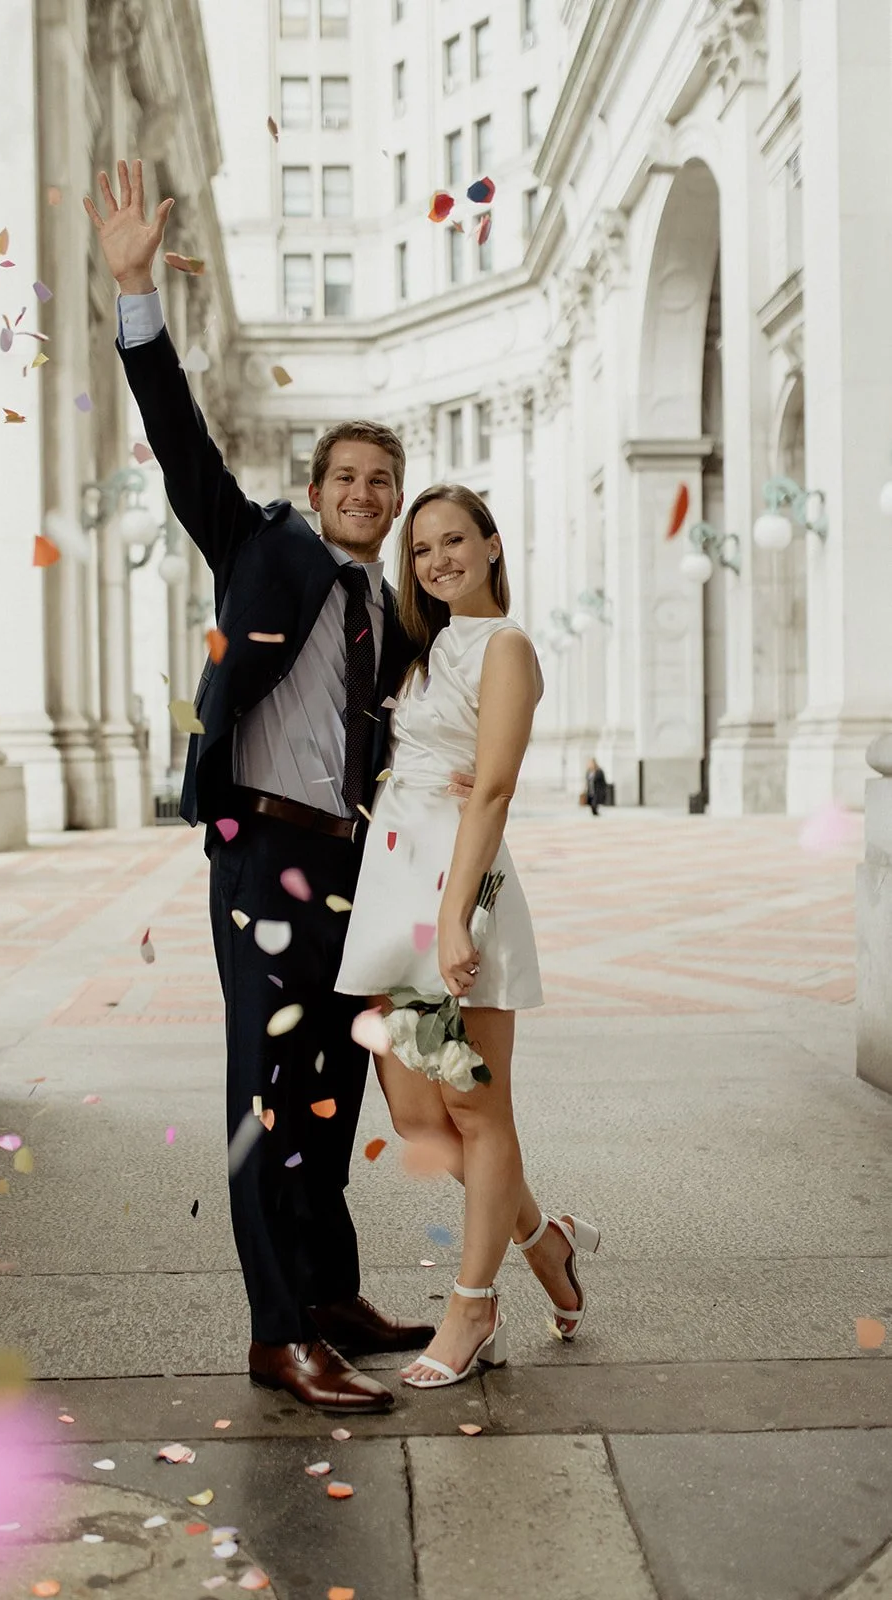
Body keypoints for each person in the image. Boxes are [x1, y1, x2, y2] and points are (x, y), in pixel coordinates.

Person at [85, 159, 462, 1415]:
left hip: (350, 862)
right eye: (345, 478)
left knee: (332, 1088)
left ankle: (330, 1293)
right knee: (266, 1089)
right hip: (262, 851)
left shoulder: (389, 607)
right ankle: (275, 1332)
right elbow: (179, 438)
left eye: (379, 483)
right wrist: (135, 290)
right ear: (313, 491)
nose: (362, 494)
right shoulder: (259, 545)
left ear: (392, 504)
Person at [336, 485, 601, 1388]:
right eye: (420, 549)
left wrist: (454, 916)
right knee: (417, 1116)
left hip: (457, 884)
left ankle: (472, 1306)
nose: (437, 560)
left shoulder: (505, 646)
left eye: (454, 541)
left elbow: (492, 788)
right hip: (394, 878)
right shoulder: (426, 647)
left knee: (477, 1109)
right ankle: (544, 1241)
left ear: (491, 545)